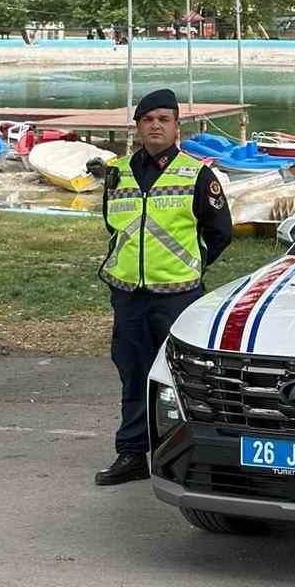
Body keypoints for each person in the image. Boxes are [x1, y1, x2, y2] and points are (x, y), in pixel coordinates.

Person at [94, 89, 234, 486]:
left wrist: (189, 264)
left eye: (163, 119)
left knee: (184, 377)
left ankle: (192, 455)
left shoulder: (197, 174)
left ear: (176, 126)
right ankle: (132, 452)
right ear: (138, 126)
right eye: (148, 119)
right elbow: (114, 227)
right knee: (133, 374)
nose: (155, 125)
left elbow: (219, 232)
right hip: (129, 295)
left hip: (177, 295)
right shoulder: (117, 172)